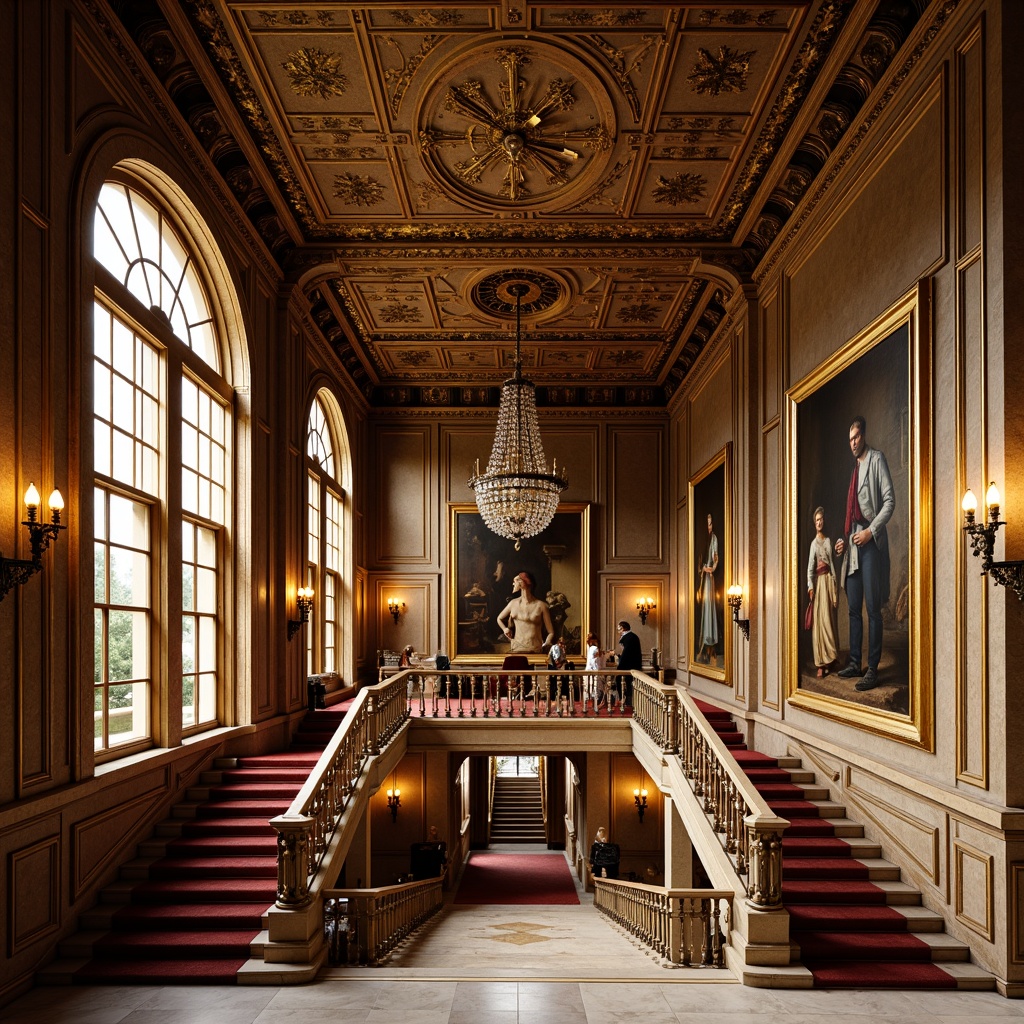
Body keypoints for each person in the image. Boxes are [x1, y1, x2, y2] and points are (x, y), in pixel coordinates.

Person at [834, 415, 895, 692]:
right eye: (849, 439)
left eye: (856, 437)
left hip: (870, 543)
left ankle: (872, 669)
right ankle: (855, 662)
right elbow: (851, 516)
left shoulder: (876, 459)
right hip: (853, 544)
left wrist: (870, 531)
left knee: (872, 609)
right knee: (853, 608)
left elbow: (889, 501)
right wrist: (843, 542)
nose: (853, 443)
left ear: (864, 435)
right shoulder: (853, 470)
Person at [806, 506, 839, 678]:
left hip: (827, 583)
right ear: (814, 523)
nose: (819, 522)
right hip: (818, 585)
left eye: (821, 520)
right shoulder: (813, 544)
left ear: (823, 522)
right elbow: (810, 569)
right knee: (819, 622)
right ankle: (820, 663)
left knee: (828, 620)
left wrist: (834, 586)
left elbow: (832, 564)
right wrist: (810, 586)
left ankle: (830, 659)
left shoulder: (828, 541)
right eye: (816, 520)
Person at [496, 570, 555, 654]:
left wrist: (547, 642)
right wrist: (505, 629)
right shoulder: (513, 603)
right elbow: (499, 618)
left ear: (522, 582)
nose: (513, 584)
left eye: (515, 581)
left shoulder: (541, 605)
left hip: (535, 649)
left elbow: (551, 632)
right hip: (516, 648)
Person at [697, 512, 720, 664]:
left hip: (709, 578)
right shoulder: (702, 541)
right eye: (707, 523)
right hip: (703, 579)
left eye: (711, 523)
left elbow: (715, 558)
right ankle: (705, 641)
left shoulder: (714, 538)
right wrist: (702, 569)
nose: (709, 526)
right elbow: (700, 562)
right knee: (705, 608)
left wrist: (710, 569)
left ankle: (711, 641)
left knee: (710, 608)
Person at [616, 620, 642, 707]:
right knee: (628, 684)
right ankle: (627, 700)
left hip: (629, 665)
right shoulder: (632, 636)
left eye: (619, 629)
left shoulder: (629, 637)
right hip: (632, 664)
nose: (618, 631)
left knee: (625, 682)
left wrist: (620, 664)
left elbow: (626, 653)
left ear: (622, 628)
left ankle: (625, 700)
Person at [585, 632, 603, 707]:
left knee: (591, 687)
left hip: (589, 670)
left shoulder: (590, 648)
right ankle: (596, 704)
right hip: (595, 670)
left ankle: (594, 703)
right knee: (595, 688)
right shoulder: (594, 648)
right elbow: (596, 659)